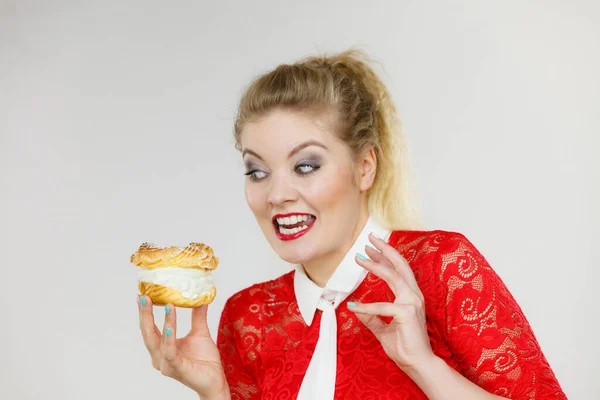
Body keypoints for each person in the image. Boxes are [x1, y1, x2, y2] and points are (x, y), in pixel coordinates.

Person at [137, 48, 566, 399]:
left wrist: (424, 366)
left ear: (364, 168)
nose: (276, 194)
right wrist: (215, 393)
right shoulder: (247, 317)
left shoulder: (440, 268)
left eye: (305, 166)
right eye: (257, 171)